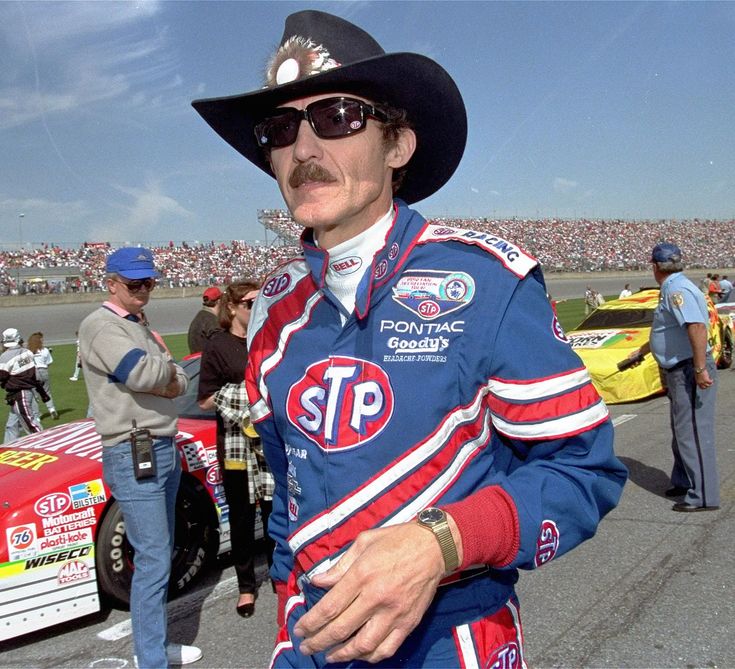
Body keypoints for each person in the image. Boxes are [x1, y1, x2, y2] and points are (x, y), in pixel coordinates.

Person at [193, 10, 626, 667]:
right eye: (280, 128)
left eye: (336, 117)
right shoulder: (273, 311)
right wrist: (289, 617)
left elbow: (584, 472)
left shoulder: (486, 282)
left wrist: (438, 542)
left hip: (450, 640)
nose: (304, 151)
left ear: (397, 147)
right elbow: (289, 498)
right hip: (311, 639)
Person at [78, 247, 202, 668]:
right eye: (134, 283)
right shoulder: (100, 324)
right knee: (151, 558)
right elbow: (144, 374)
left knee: (159, 554)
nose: (143, 290)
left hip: (157, 444)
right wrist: (166, 374)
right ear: (110, 283)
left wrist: (165, 374)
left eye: (148, 282)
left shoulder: (136, 324)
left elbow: (180, 377)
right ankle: (150, 659)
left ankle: (154, 645)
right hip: (134, 448)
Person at [197, 280, 275, 618]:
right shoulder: (218, 345)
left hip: (269, 439)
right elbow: (203, 399)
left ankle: (280, 574)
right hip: (235, 442)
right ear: (231, 307)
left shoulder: (269, 338)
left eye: (260, 302)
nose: (255, 308)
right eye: (248, 303)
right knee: (242, 516)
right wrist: (246, 396)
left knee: (276, 510)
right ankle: (246, 587)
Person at [629, 243, 720, 512]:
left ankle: (702, 495)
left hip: (688, 369)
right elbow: (669, 331)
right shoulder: (672, 287)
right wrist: (644, 350)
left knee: (692, 432)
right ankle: (683, 480)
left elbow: (696, 326)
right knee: (681, 432)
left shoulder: (676, 290)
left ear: (655, 266)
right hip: (680, 369)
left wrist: (700, 368)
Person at [1, 327, 49, 443]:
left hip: (19, 394)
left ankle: (45, 444)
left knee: (31, 424)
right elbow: (34, 376)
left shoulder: (5, 357)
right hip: (27, 392)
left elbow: (2, 376)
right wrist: (43, 393)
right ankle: (8, 448)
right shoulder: (27, 353)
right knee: (11, 425)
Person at [27, 331, 58, 420]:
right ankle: (52, 409)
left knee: (34, 396)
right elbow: (49, 363)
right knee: (47, 392)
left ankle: (36, 416)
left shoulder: (28, 351)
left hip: (33, 373)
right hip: (44, 371)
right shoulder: (45, 350)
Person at [187, 286, 222, 354]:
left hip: (197, 361)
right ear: (219, 301)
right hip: (207, 362)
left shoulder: (200, 317)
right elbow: (220, 348)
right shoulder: (212, 321)